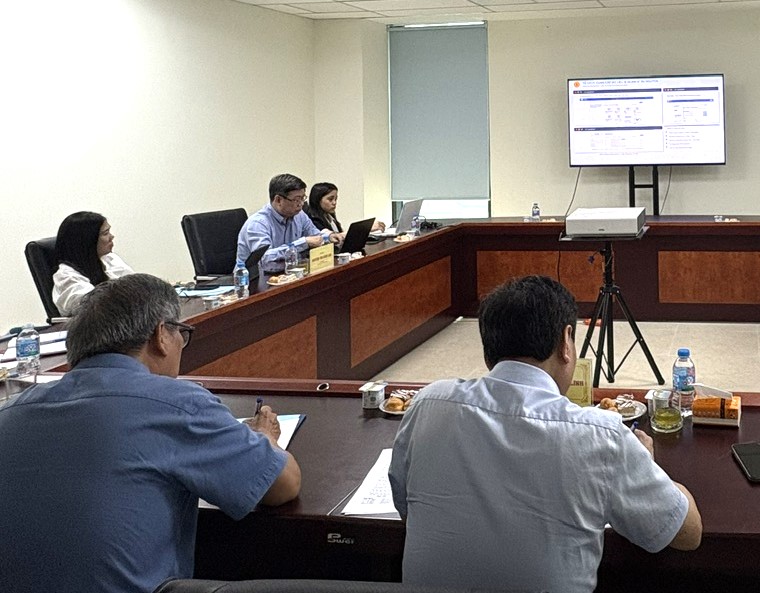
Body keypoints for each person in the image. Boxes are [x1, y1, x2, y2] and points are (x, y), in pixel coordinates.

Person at [389, 275, 702, 593]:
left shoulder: (428, 404)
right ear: (566, 343)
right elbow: (687, 533)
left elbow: (406, 507)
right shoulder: (602, 436)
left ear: (488, 352)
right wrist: (645, 463)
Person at [0, 273, 301, 593]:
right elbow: (283, 485)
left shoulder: (9, 413)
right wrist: (265, 437)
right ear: (160, 335)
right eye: (181, 333)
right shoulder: (177, 404)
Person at [237, 173, 343, 271]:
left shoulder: (299, 215)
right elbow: (265, 258)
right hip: (250, 279)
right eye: (297, 199)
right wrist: (303, 243)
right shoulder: (258, 223)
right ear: (278, 200)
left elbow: (315, 234)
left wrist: (329, 237)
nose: (301, 204)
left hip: (287, 272)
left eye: (303, 198)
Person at [52, 210, 134, 315]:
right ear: (88, 241)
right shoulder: (66, 276)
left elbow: (136, 287)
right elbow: (94, 306)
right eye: (105, 233)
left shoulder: (110, 259)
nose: (111, 237)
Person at [304, 181, 384, 235]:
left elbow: (340, 234)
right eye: (330, 199)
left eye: (336, 199)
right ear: (318, 200)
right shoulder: (313, 219)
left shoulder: (329, 217)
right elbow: (335, 237)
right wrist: (365, 229)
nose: (334, 202)